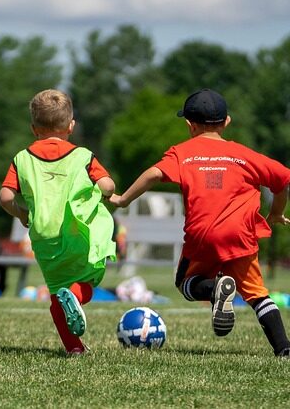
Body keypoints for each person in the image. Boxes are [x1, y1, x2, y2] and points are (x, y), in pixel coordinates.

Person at [110, 88, 290, 357]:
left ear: (189, 125)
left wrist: (124, 199)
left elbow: (153, 173)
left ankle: (216, 288)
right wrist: (275, 213)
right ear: (226, 122)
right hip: (240, 237)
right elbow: (283, 179)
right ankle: (284, 348)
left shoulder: (182, 153)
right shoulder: (244, 155)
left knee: (185, 282)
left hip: (202, 236)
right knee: (258, 295)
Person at [0, 89, 116, 355]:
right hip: (77, 232)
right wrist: (106, 193)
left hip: (43, 237)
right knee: (89, 279)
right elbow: (108, 185)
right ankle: (76, 295)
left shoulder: (22, 158)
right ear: (71, 126)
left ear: (33, 128)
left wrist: (20, 213)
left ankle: (74, 348)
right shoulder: (83, 156)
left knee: (56, 294)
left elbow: (5, 197)